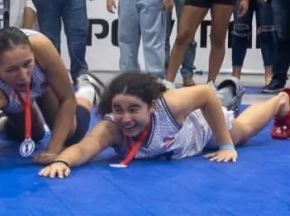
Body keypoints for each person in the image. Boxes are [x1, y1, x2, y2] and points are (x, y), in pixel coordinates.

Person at [38, 72, 289, 178]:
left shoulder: (169, 104)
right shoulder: (111, 129)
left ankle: (280, 100)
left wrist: (225, 144)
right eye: (118, 110)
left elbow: (203, 94)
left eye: (134, 109)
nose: (125, 118)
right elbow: (83, 149)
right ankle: (229, 91)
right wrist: (62, 161)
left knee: (241, 134)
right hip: (182, 146)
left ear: (151, 106)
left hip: (200, 130)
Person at [0, 28, 104, 182]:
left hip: (44, 86)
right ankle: (1, 118)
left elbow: (67, 99)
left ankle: (87, 91)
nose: (23, 76)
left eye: (28, 64)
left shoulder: (41, 47)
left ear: (33, 54)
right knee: (34, 134)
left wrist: (53, 149)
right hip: (10, 96)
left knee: (71, 135)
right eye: (12, 69)